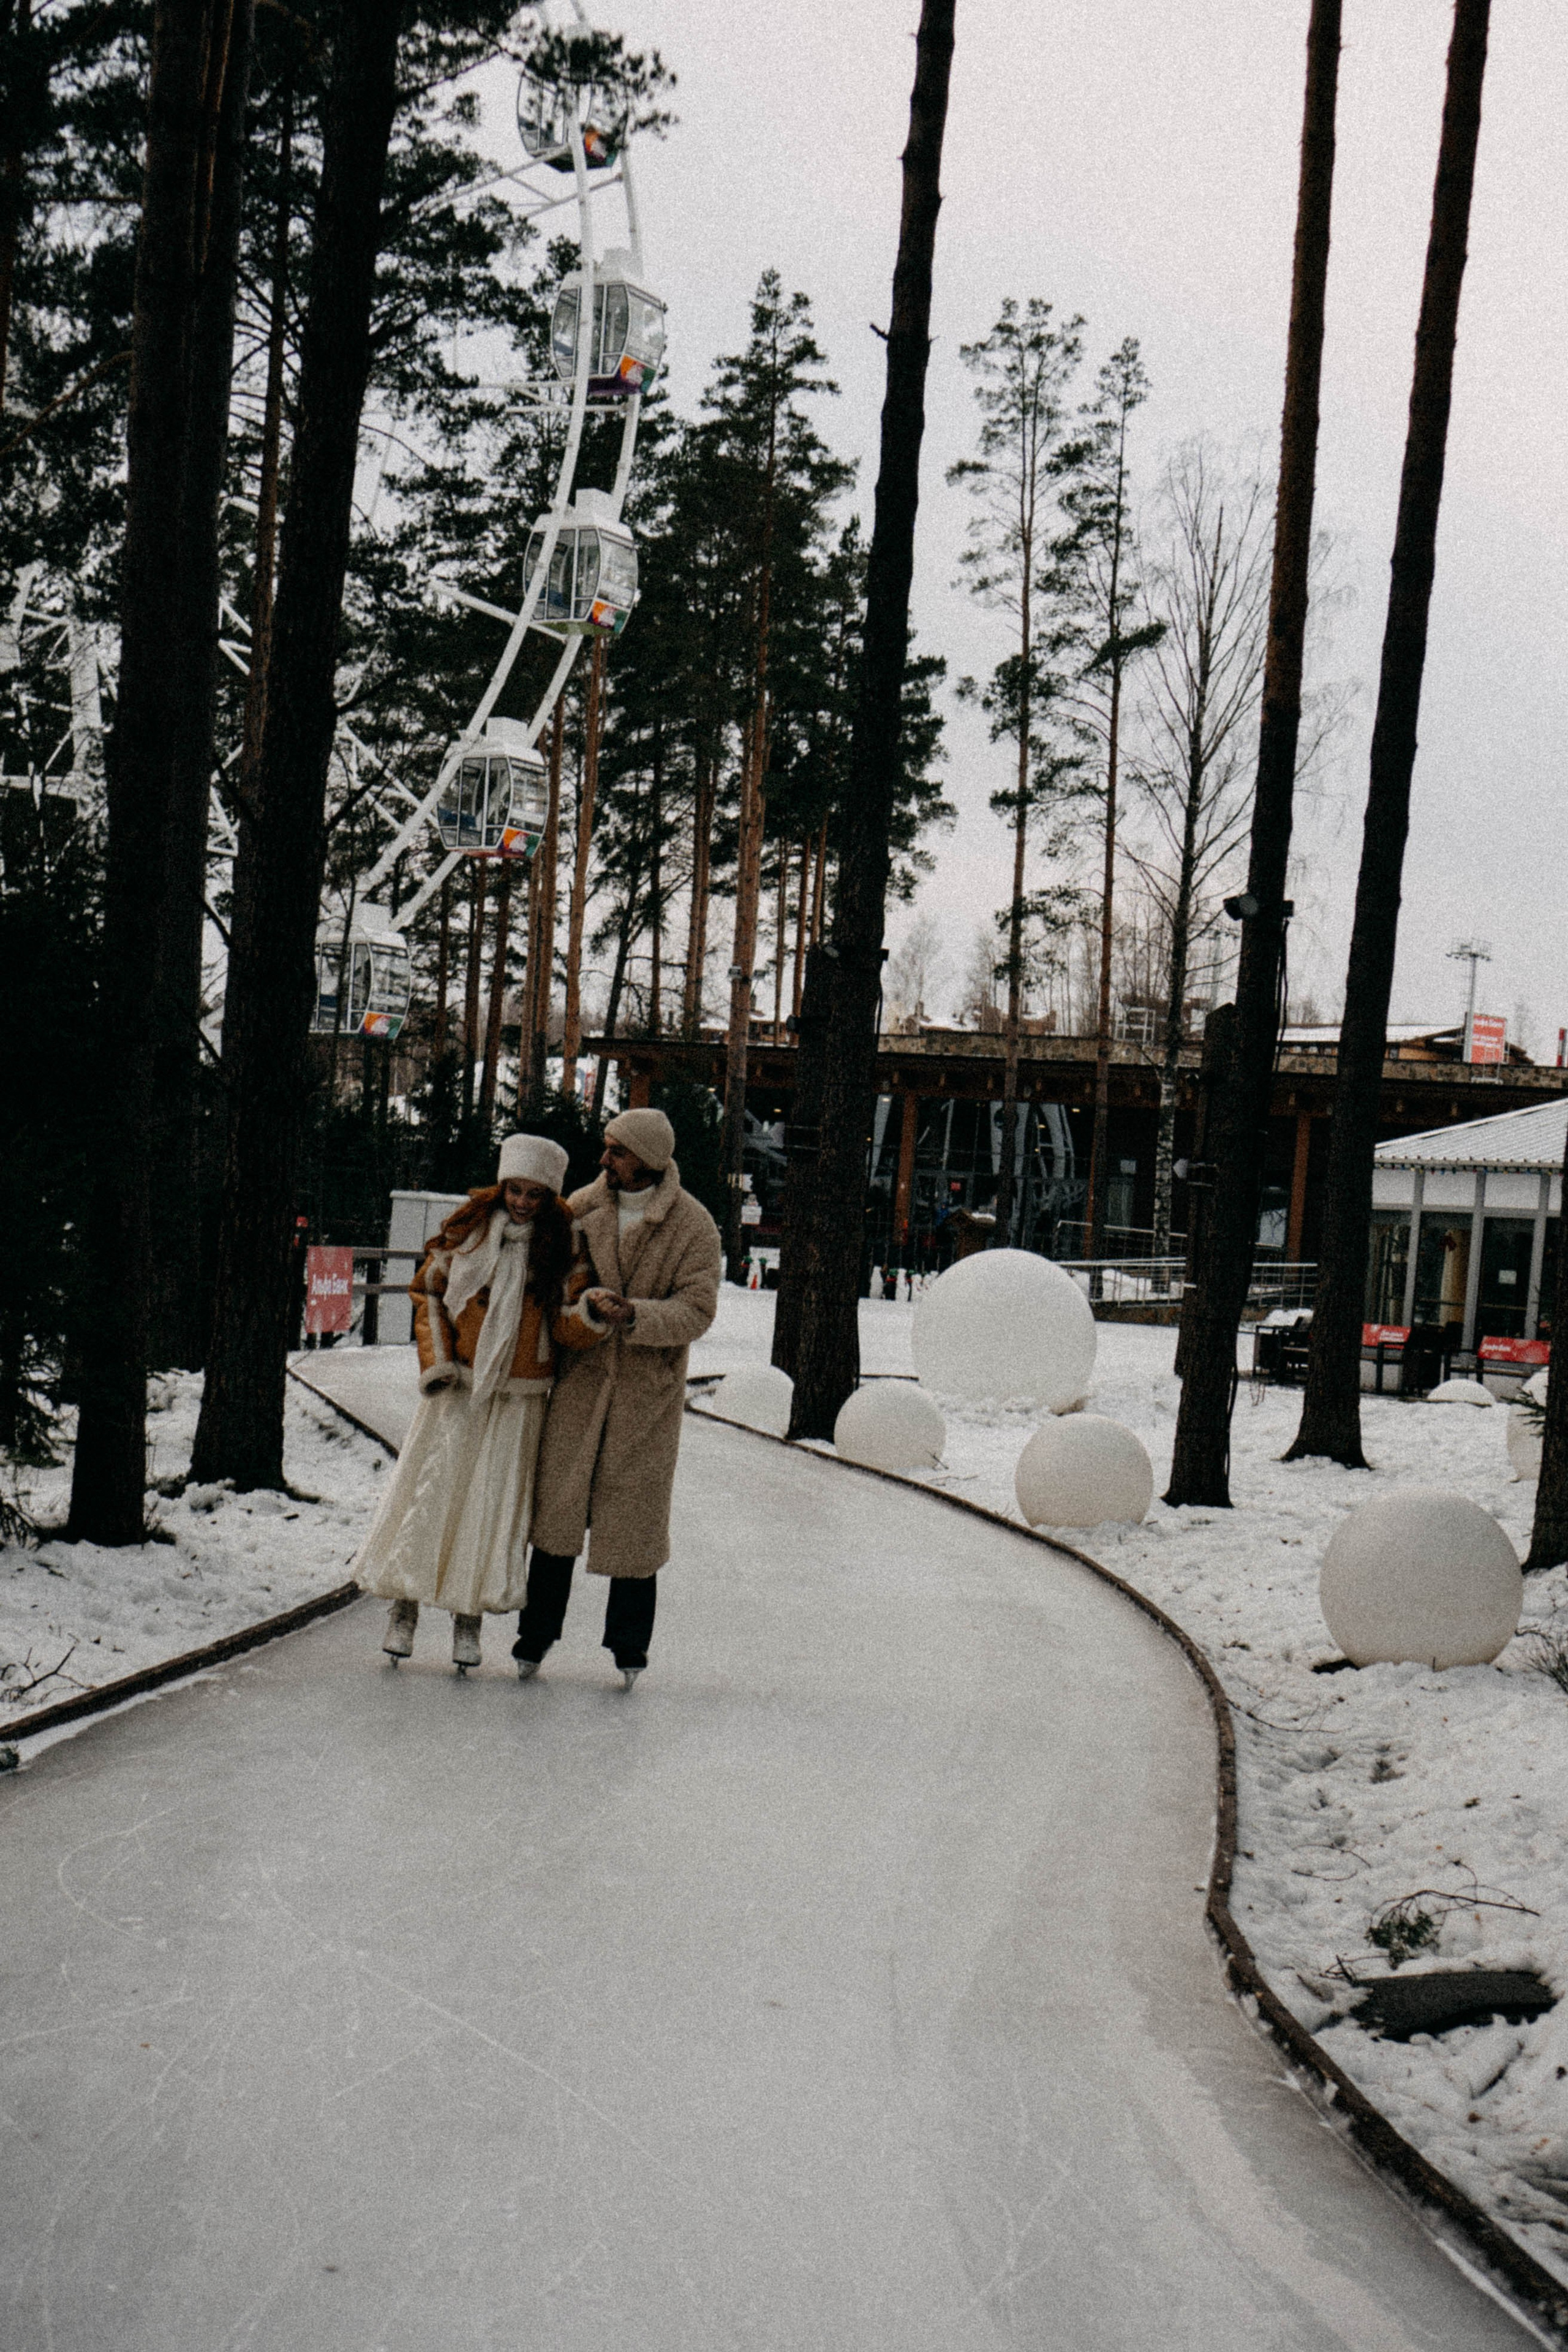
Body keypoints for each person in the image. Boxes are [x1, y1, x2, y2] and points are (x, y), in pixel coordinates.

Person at [355, 1133, 607, 1673]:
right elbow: (428, 1295)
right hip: (460, 1386)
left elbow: (566, 1325)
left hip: (520, 1396)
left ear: (550, 1198)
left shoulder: (564, 1248)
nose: (521, 1202)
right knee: (433, 1494)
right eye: (514, 1189)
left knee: (489, 1508)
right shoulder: (466, 1233)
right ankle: (404, 1609)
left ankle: (467, 1619)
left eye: (534, 1194)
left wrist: (592, 1315)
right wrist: (439, 1361)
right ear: (501, 1186)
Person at [514, 1106, 720, 1688]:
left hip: (643, 1400)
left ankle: (629, 1647)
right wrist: (580, 1311)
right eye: (606, 1147)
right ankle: (535, 1635)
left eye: (618, 1151)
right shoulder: (581, 1207)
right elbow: (545, 1278)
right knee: (556, 1517)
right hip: (579, 1387)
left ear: (650, 1160)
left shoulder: (693, 1226)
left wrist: (637, 1314)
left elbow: (698, 1309)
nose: (605, 1159)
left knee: (635, 1525)